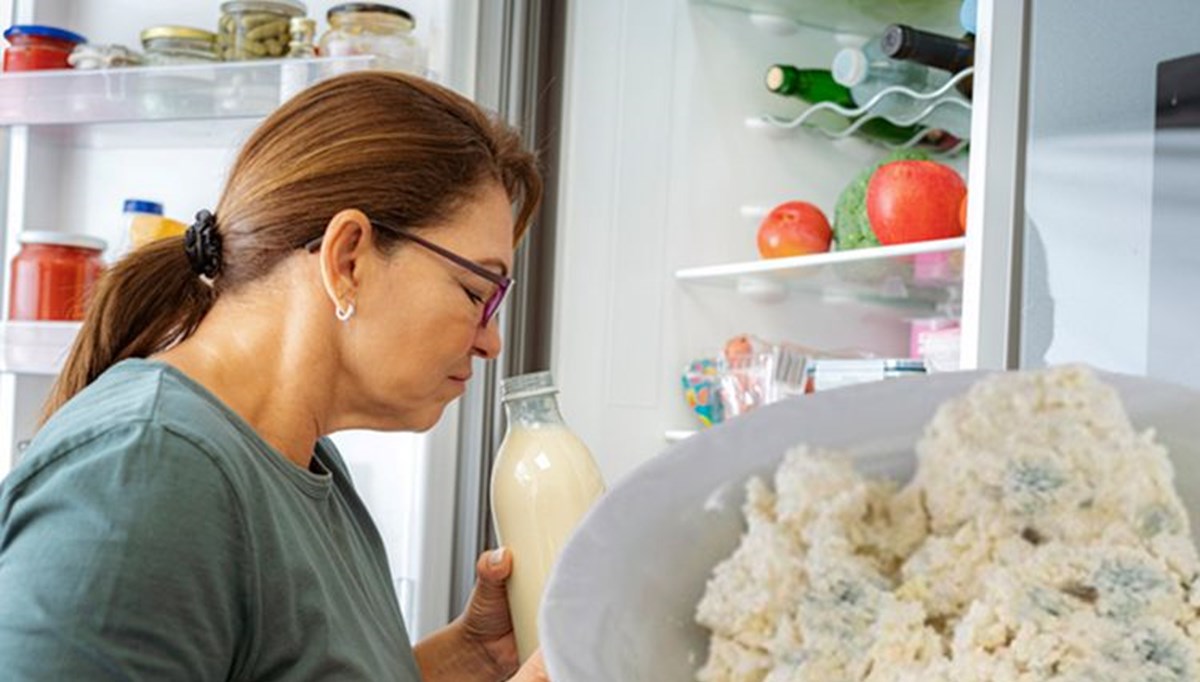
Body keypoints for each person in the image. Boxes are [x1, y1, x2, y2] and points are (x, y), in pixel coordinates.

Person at [0, 71, 549, 681]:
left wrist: (469, 660)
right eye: (477, 292)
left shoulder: (308, 463)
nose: (491, 341)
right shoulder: (146, 472)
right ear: (348, 258)